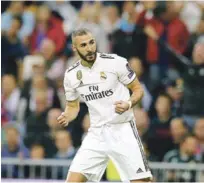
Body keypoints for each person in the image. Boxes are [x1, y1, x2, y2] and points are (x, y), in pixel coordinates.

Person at [57, 28, 152, 182]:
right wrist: (67, 115)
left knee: (141, 181)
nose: (89, 48)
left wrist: (128, 103)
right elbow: (73, 106)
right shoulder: (71, 75)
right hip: (96, 133)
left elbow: (137, 89)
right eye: (83, 45)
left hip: (122, 129)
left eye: (91, 43)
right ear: (74, 48)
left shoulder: (115, 62)